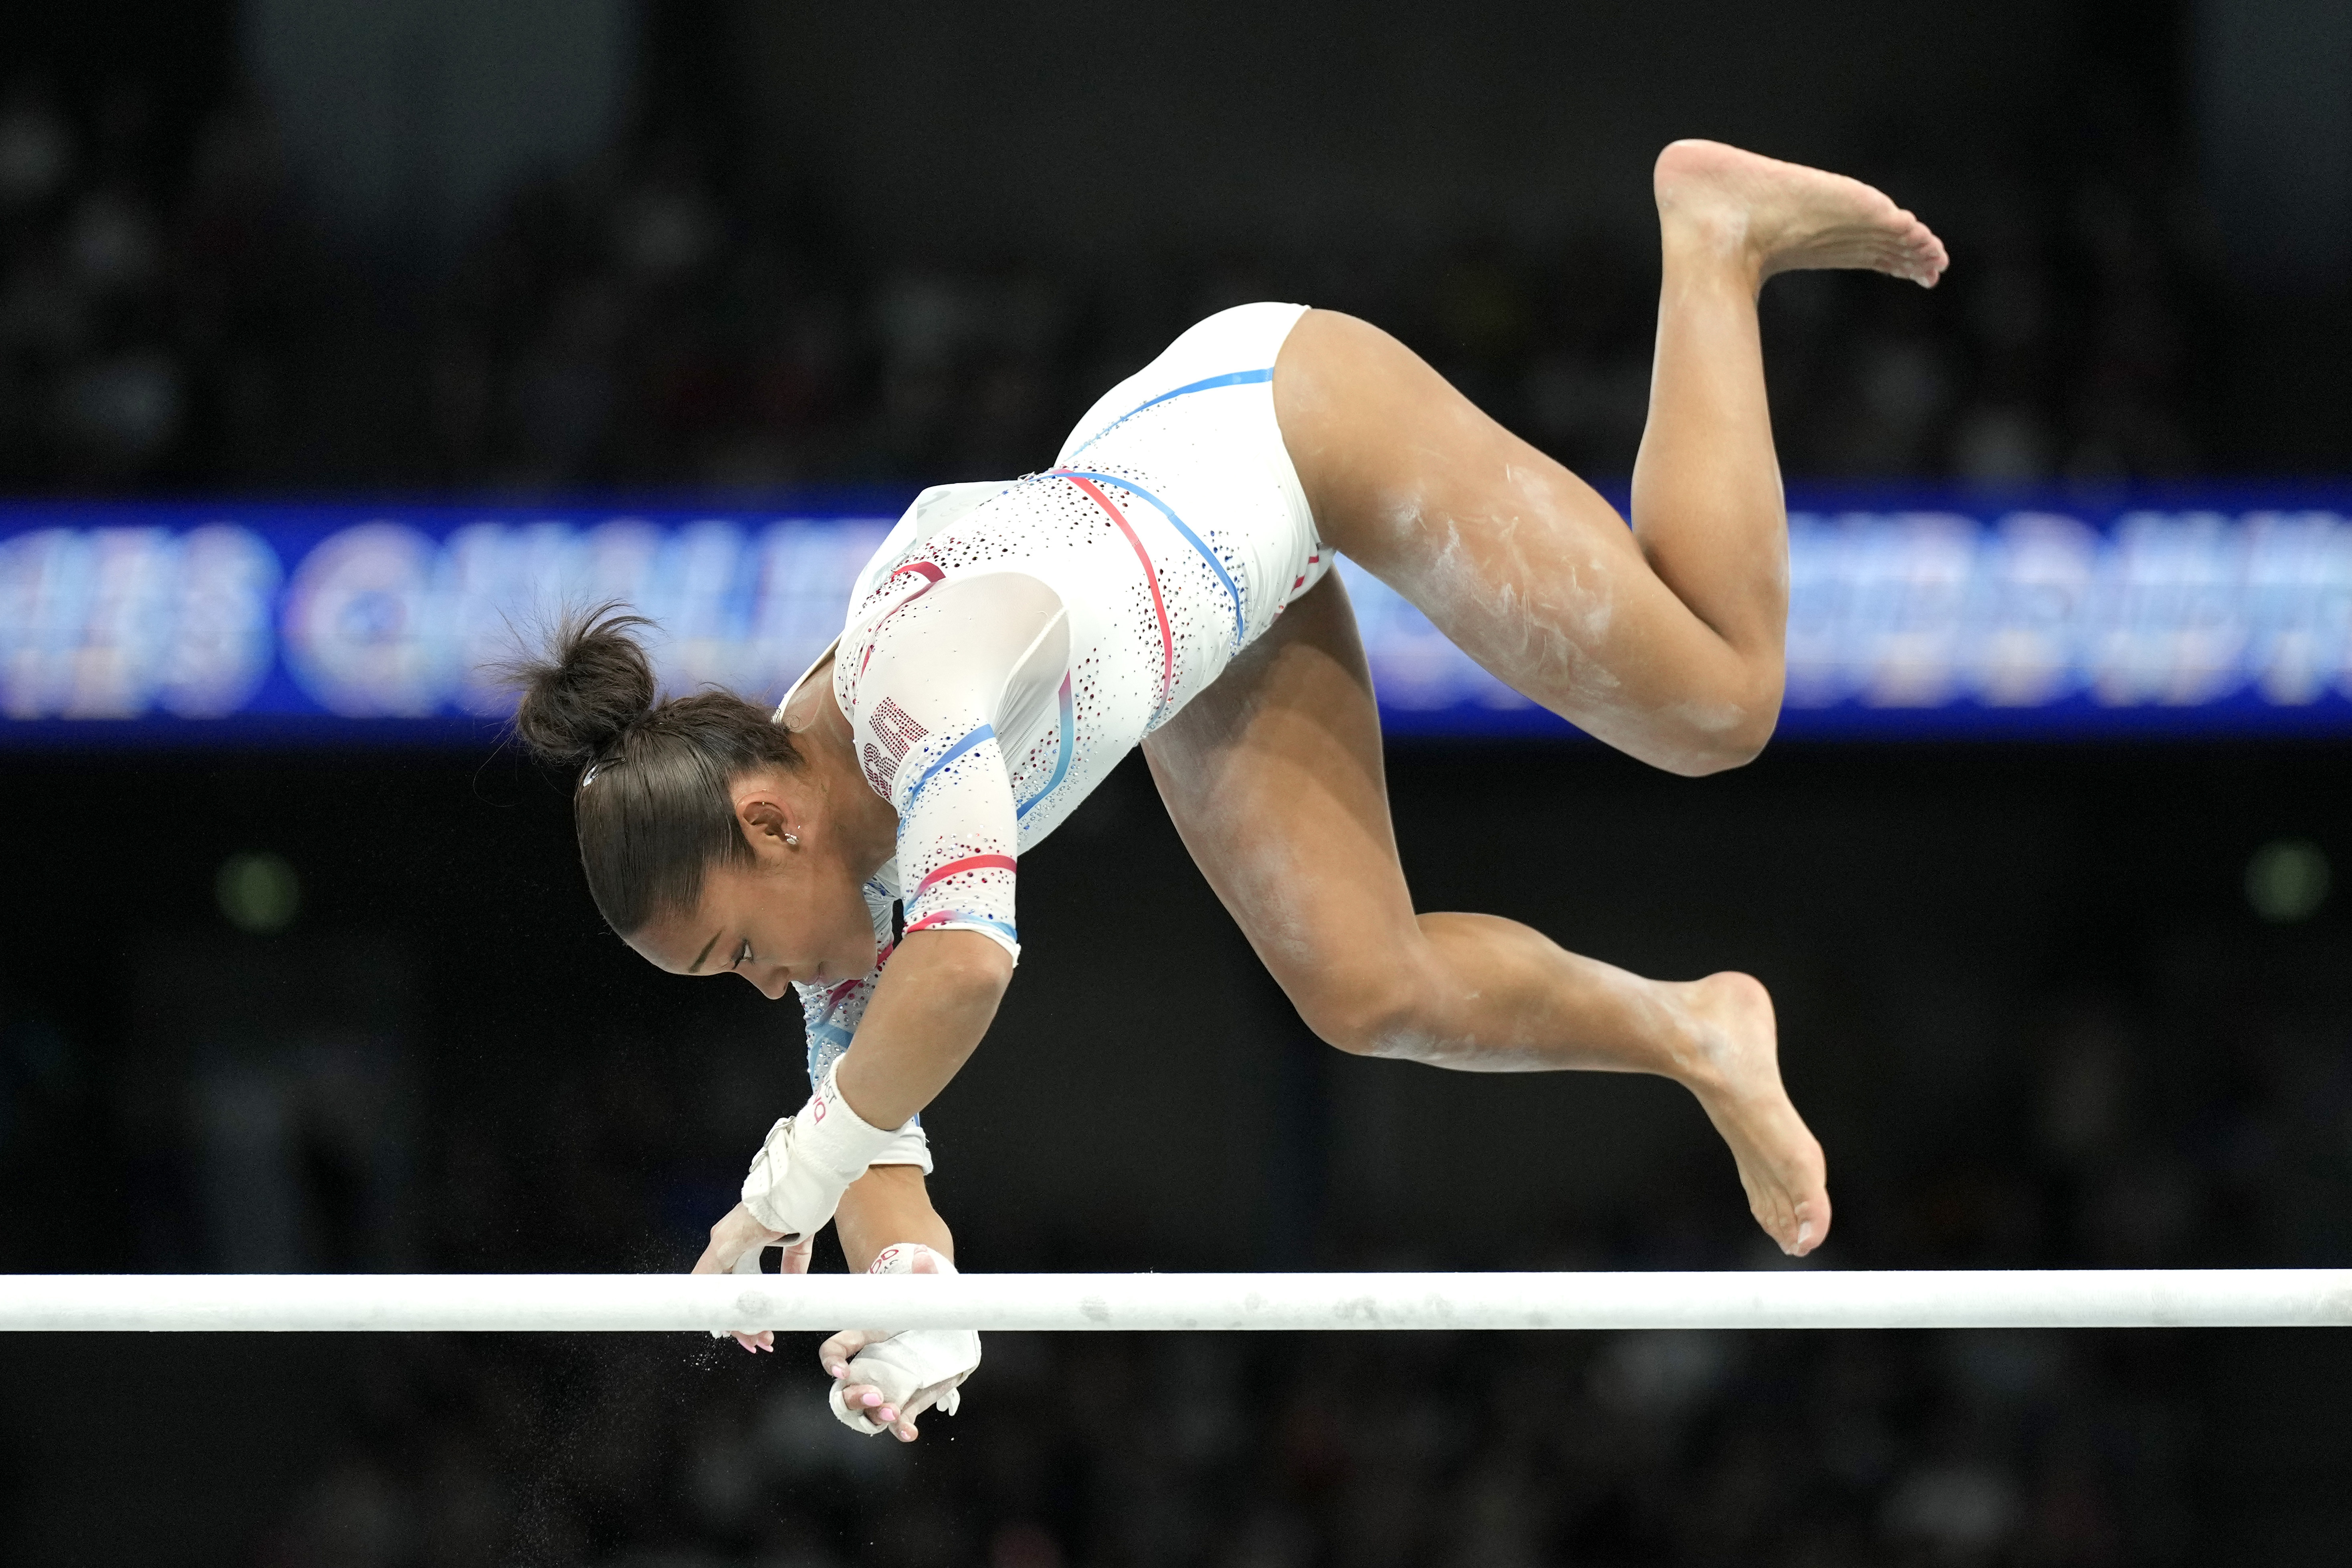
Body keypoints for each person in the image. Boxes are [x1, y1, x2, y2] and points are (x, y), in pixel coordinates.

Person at [505, 141, 1948, 1441]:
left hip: (1282, 426)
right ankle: (1699, 1028)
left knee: (1721, 701)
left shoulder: (910, 687)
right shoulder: (826, 859)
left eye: (738, 949)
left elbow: (964, 971)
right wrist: (914, 1288)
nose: (764, 985)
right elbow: (878, 1118)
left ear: (770, 821)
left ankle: (1713, 239)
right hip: (1193, 607)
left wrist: (784, 1183)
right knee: (1365, 985)